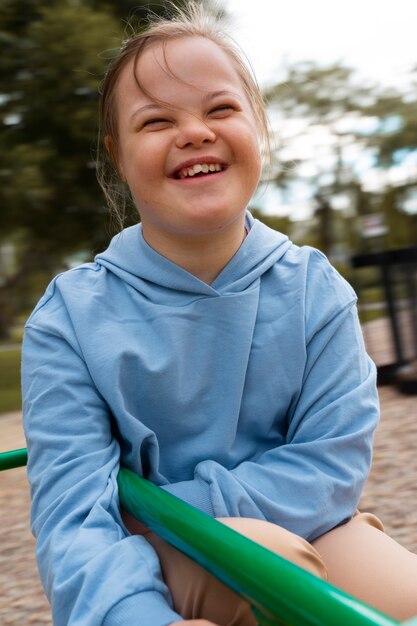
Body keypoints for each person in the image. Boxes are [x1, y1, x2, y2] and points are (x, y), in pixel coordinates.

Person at [22, 3, 417, 626]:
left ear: (257, 126)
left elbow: (331, 463)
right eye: (155, 120)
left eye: (221, 109)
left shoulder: (317, 290)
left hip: (309, 524)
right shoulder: (70, 318)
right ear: (117, 156)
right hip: (146, 556)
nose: (195, 132)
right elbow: (75, 517)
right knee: (268, 561)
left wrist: (171, 502)